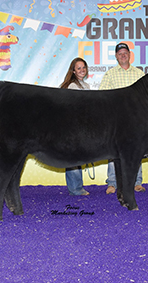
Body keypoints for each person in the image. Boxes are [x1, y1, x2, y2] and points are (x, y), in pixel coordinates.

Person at [99, 43, 145, 194]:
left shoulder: (139, 74)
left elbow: (147, 98)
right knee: (114, 152)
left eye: (125, 52)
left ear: (130, 54)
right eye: (120, 53)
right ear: (116, 56)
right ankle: (112, 183)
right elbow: (102, 97)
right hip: (116, 121)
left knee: (136, 151)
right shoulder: (110, 74)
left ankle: (137, 182)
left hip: (135, 119)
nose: (123, 55)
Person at [59, 58, 90, 196]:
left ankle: (77, 187)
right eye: (78, 68)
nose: (82, 70)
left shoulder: (86, 86)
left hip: (81, 126)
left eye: (83, 67)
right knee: (73, 158)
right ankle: (76, 188)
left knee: (76, 157)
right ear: (73, 70)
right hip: (72, 127)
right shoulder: (71, 86)